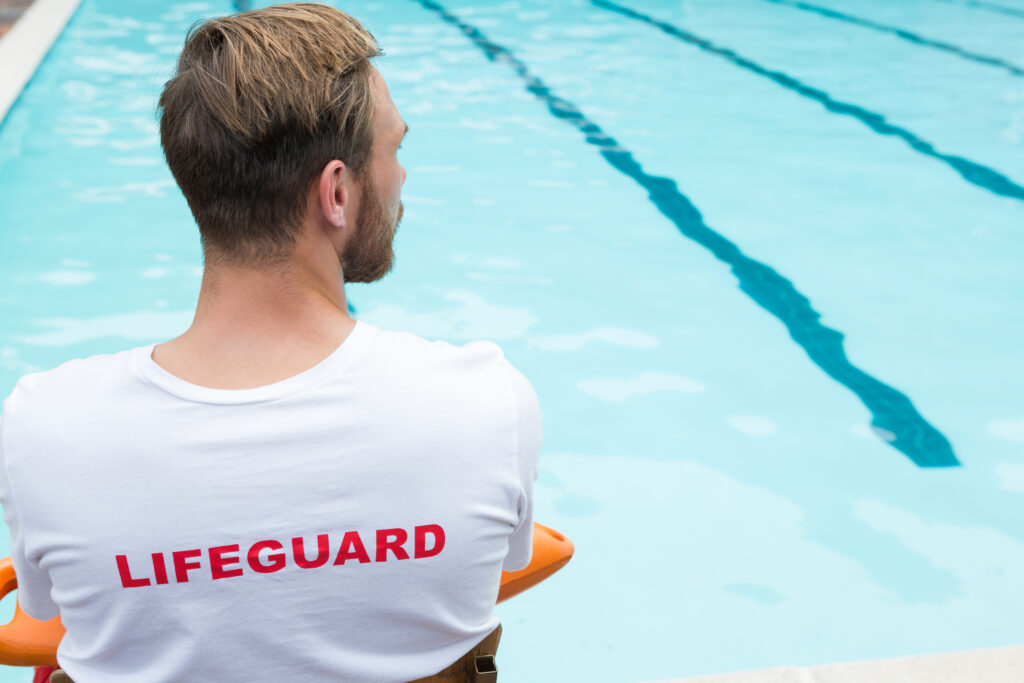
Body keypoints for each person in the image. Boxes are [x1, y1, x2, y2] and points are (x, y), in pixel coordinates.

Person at [0, 4, 540, 681]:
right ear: (336, 191)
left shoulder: (47, 427)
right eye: (394, 149)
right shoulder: (484, 403)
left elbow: (49, 612)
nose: (402, 177)